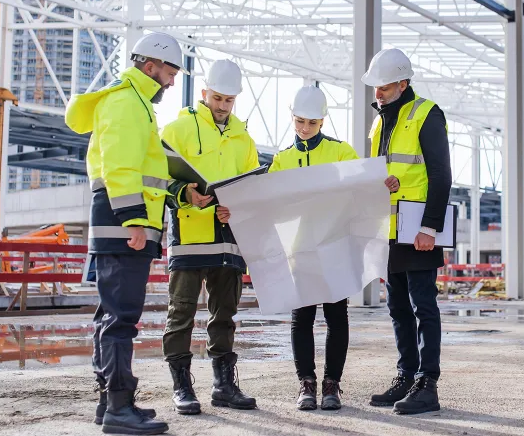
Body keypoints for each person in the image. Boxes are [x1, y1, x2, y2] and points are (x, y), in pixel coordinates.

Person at [65, 31, 184, 435]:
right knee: (121, 318)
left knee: (111, 315)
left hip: (122, 222)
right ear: (150, 66)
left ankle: (111, 402)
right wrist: (134, 220)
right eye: (169, 72)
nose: (171, 82)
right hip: (123, 224)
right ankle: (118, 408)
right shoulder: (125, 102)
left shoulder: (134, 103)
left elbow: (148, 170)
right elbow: (119, 166)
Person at [160, 59, 259, 414]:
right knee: (181, 311)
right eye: (217, 98)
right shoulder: (178, 129)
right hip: (189, 234)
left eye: (229, 100)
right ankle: (182, 386)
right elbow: (157, 177)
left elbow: (252, 188)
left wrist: (240, 207)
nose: (222, 106)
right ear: (204, 93)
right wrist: (184, 193)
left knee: (225, 314)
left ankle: (224, 386)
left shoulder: (243, 139)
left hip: (228, 236)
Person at [362, 49, 451, 415]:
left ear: (403, 83)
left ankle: (427, 383)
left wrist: (430, 227)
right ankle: (406, 375)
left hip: (417, 228)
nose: (378, 93)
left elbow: (441, 174)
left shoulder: (427, 114)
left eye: (383, 86)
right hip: (390, 228)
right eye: (375, 87)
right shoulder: (380, 123)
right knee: (398, 308)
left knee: (423, 306)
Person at [268, 85, 359, 411]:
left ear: (323, 121)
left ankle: (331, 385)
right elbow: (270, 205)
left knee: (337, 317)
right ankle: (306, 384)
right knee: (302, 318)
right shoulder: (282, 160)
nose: (305, 128)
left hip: (335, 247)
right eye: (300, 121)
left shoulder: (341, 152)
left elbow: (360, 190)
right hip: (301, 250)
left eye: (312, 123)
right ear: (292, 117)